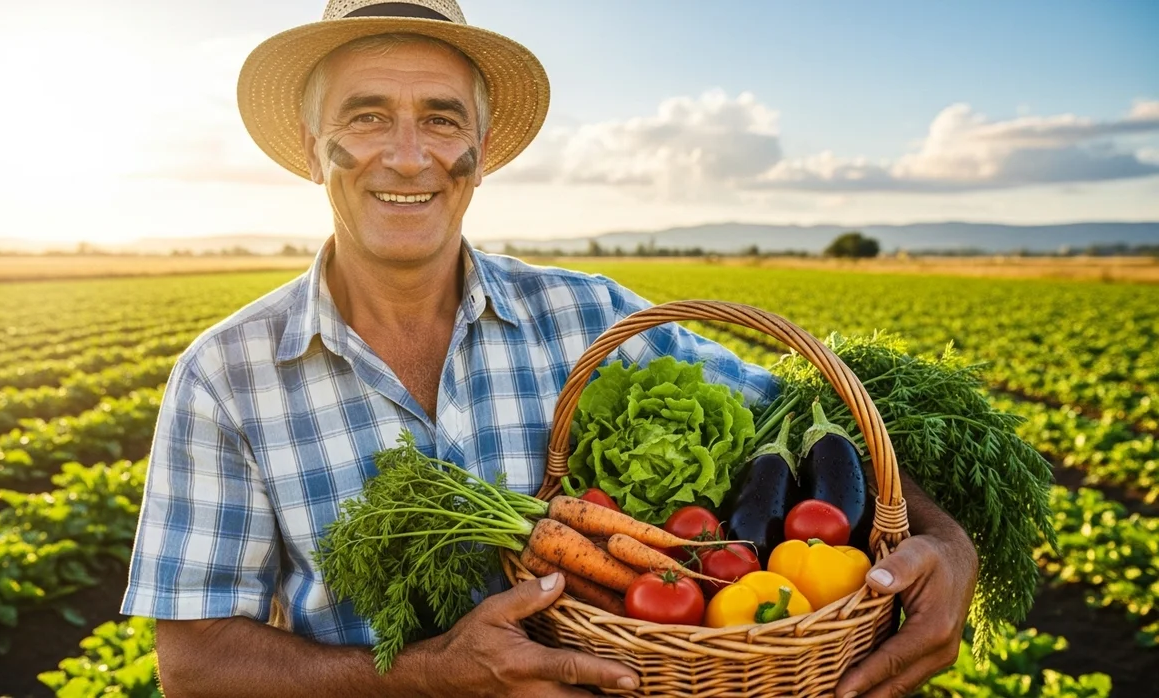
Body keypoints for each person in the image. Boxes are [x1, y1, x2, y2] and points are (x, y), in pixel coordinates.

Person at [120, 1, 979, 696]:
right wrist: (426, 677)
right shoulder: (224, 377)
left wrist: (941, 537)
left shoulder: (592, 316)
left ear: (482, 151)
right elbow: (196, 664)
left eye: (442, 120)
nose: (409, 157)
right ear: (315, 150)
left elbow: (810, 419)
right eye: (368, 116)